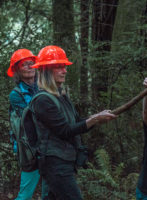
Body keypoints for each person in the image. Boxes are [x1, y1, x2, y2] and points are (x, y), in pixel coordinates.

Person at [30, 45, 117, 200]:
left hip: (65, 162)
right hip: (55, 164)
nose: (65, 70)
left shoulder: (61, 96)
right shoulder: (42, 100)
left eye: (64, 66)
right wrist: (95, 119)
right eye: (59, 67)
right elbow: (65, 131)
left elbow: (77, 124)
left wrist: (97, 118)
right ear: (46, 70)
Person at [7, 49, 48, 200]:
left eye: (32, 63)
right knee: (25, 194)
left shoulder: (44, 86)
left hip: (48, 145)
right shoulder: (15, 94)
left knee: (49, 192)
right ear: (17, 69)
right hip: (29, 149)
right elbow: (32, 117)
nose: (29, 66)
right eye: (24, 64)